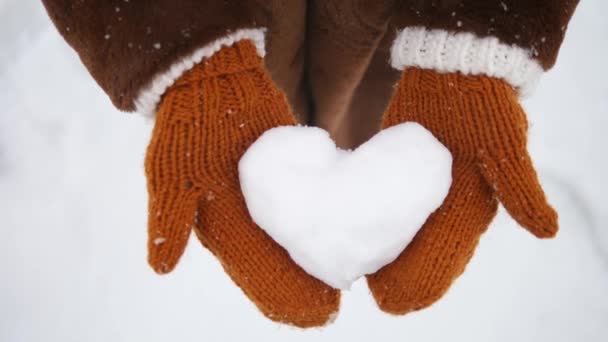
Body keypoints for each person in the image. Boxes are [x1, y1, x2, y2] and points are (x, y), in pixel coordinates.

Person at [41, 0, 579, 328]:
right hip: (248, 29)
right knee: (300, 107)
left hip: (393, 37)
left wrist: (474, 31)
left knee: (358, 109)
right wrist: (186, 39)